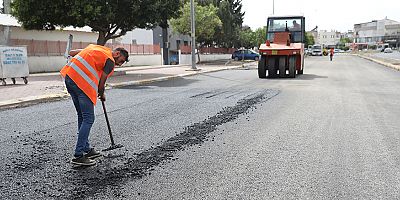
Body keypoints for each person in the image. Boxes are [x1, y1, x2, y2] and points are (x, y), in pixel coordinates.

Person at [60, 44, 129, 166]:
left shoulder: (97, 49)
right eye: (121, 61)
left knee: (82, 116)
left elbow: (72, 52)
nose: (119, 64)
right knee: (89, 118)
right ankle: (78, 155)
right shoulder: (110, 60)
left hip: (69, 79)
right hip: (82, 83)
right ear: (117, 54)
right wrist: (101, 93)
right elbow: (102, 82)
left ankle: (86, 149)